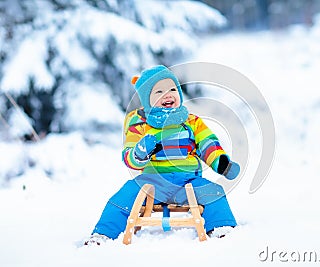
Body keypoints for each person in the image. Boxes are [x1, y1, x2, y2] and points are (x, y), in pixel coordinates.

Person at [85, 65, 240, 245]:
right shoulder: (140, 125)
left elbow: (207, 144)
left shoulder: (191, 121)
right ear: (147, 100)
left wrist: (221, 163)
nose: (168, 94)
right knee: (125, 194)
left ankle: (221, 227)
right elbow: (128, 156)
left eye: (172, 89)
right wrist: (140, 152)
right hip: (153, 183)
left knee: (214, 192)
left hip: (188, 181)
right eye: (159, 92)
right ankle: (103, 233)